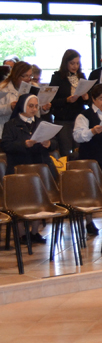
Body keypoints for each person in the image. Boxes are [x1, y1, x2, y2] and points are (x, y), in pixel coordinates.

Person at [1, 94, 57, 243]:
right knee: (21, 202)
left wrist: (49, 144)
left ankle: (34, 232)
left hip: (39, 167)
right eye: (30, 106)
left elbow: (55, 142)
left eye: (35, 106)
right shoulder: (11, 125)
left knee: (38, 200)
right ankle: (21, 234)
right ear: (22, 106)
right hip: (18, 168)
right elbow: (6, 145)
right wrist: (24, 144)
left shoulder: (41, 123)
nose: (33, 109)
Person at [49, 49, 90, 157]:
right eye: (72, 63)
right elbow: (51, 100)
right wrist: (66, 100)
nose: (75, 66)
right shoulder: (57, 77)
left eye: (77, 63)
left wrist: (86, 98)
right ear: (65, 63)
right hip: (63, 118)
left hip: (78, 116)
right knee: (65, 149)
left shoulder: (81, 76)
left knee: (80, 148)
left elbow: (88, 100)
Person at [0, 62, 45, 134]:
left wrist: (43, 108)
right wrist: (9, 107)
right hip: (7, 130)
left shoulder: (34, 87)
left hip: (28, 129)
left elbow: (37, 111)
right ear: (16, 75)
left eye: (30, 76)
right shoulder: (3, 88)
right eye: (25, 76)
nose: (28, 79)